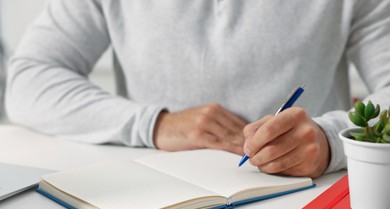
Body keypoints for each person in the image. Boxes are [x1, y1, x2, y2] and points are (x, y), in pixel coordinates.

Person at [5, 0, 390, 178]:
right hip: (155, 204)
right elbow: (28, 81)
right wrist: (154, 124)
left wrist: (330, 140)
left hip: (306, 196)